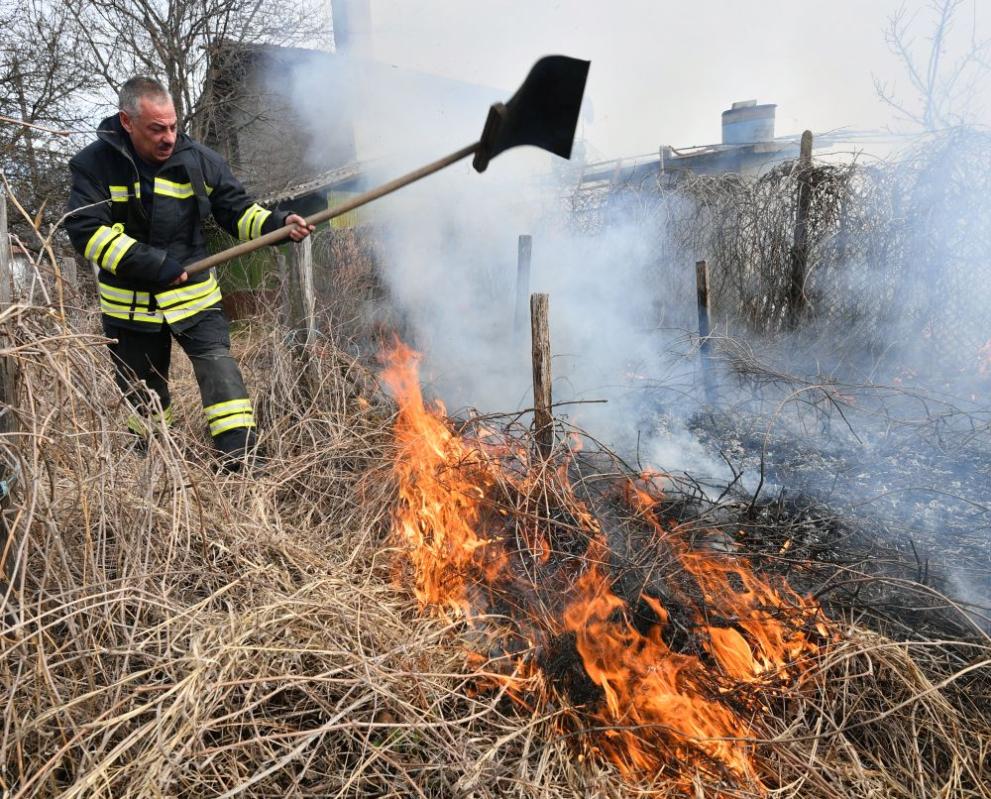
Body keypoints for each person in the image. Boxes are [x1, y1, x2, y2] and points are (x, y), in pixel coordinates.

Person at [66, 76, 314, 467]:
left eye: (173, 126)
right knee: (144, 395)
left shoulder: (200, 160)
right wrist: (154, 264)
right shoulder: (93, 166)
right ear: (127, 122)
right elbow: (86, 232)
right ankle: (155, 466)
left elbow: (238, 211)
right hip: (130, 310)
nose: (168, 137)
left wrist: (277, 225)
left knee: (221, 372)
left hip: (194, 297)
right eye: (156, 129)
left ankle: (241, 459)